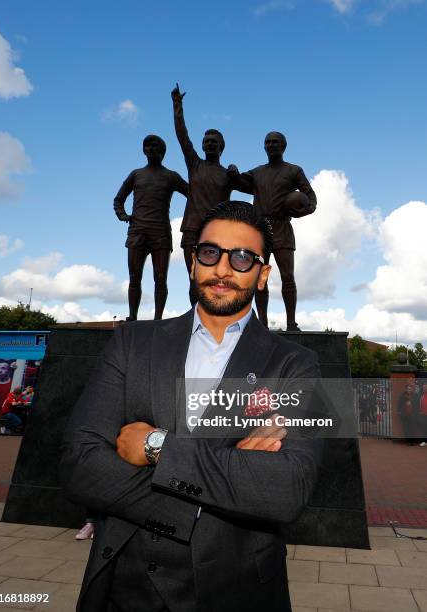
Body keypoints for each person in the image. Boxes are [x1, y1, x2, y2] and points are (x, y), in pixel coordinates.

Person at [60, 201, 324, 612]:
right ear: (192, 262)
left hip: (237, 589)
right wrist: (223, 482)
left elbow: (288, 488)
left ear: (262, 275)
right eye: (210, 253)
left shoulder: (295, 363)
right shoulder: (131, 344)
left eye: (241, 258)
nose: (222, 269)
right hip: (124, 585)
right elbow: (79, 463)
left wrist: (157, 447)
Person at [228, 131, 317, 330]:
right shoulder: (258, 172)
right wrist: (234, 172)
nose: (271, 145)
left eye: (275, 142)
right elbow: (239, 182)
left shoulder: (294, 170)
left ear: (283, 146)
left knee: (288, 276)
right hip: (260, 230)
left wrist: (303, 211)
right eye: (267, 142)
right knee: (259, 277)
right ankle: (262, 323)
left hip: (282, 227)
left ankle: (291, 322)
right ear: (264, 147)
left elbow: (310, 197)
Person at [171, 83, 234, 306]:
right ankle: (194, 316)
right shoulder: (195, 164)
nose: (209, 144)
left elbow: (257, 186)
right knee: (194, 277)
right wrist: (177, 105)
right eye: (206, 141)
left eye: (213, 142)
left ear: (221, 147)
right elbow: (182, 136)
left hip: (217, 233)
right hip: (192, 229)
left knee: (215, 278)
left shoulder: (229, 175)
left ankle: (213, 315)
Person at [114, 134, 188, 321]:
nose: (151, 149)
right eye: (148, 146)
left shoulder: (171, 176)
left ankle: (158, 318)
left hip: (160, 232)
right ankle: (132, 316)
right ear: (144, 150)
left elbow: (193, 194)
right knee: (134, 276)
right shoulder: (136, 174)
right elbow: (119, 199)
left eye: (155, 146)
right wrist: (123, 215)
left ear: (163, 152)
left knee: (161, 277)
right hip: (137, 230)